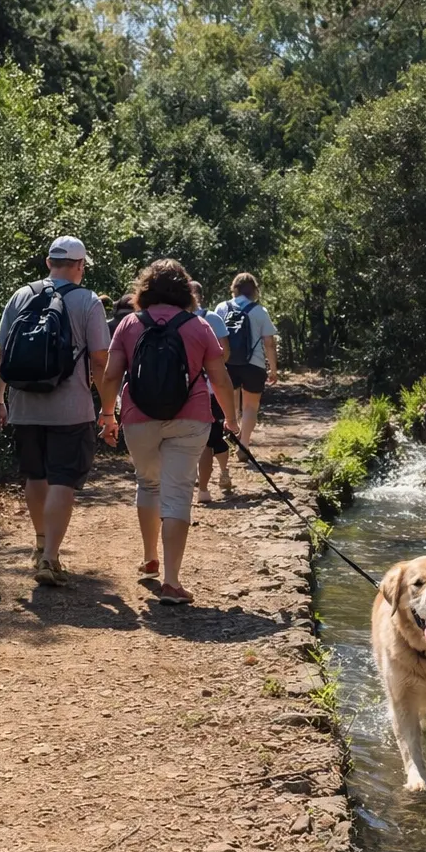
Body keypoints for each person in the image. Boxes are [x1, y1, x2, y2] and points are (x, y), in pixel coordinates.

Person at [97, 259, 236, 605]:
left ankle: (149, 560)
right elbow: (219, 378)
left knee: (148, 483)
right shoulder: (198, 325)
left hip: (138, 416)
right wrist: (231, 419)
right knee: (177, 494)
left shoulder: (129, 323)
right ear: (185, 292)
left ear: (144, 289)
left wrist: (107, 414)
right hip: (190, 418)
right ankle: (172, 583)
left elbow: (112, 374)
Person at [0, 236, 110, 587]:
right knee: (63, 479)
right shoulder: (87, 301)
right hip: (71, 409)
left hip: (24, 405)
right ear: (80, 266)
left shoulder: (21, 295)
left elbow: (0, 355)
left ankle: (41, 540)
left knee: (35, 475)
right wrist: (107, 409)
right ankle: (50, 556)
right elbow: (100, 360)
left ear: (48, 262)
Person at [214, 272, 278, 461]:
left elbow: (214, 337)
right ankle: (244, 445)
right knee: (250, 406)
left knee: (231, 405)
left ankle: (232, 435)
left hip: (227, 365)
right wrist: (273, 368)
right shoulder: (259, 311)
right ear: (254, 291)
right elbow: (269, 343)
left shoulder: (221, 308)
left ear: (234, 289)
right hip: (254, 365)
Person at [190, 280, 235, 503]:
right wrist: (211, 368)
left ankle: (206, 483)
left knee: (201, 439)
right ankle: (212, 481)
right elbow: (225, 352)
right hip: (210, 388)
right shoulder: (212, 319)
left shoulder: (172, 319)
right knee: (212, 438)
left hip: (185, 391)